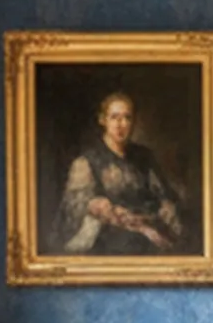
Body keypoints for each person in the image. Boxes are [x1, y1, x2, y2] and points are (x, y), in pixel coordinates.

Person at [56, 91, 186, 254]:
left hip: (148, 229)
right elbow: (73, 211)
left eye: (127, 118)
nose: (121, 124)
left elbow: (162, 194)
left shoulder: (144, 156)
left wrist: (166, 207)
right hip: (108, 237)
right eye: (114, 117)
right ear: (102, 120)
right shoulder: (87, 161)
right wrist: (99, 208)